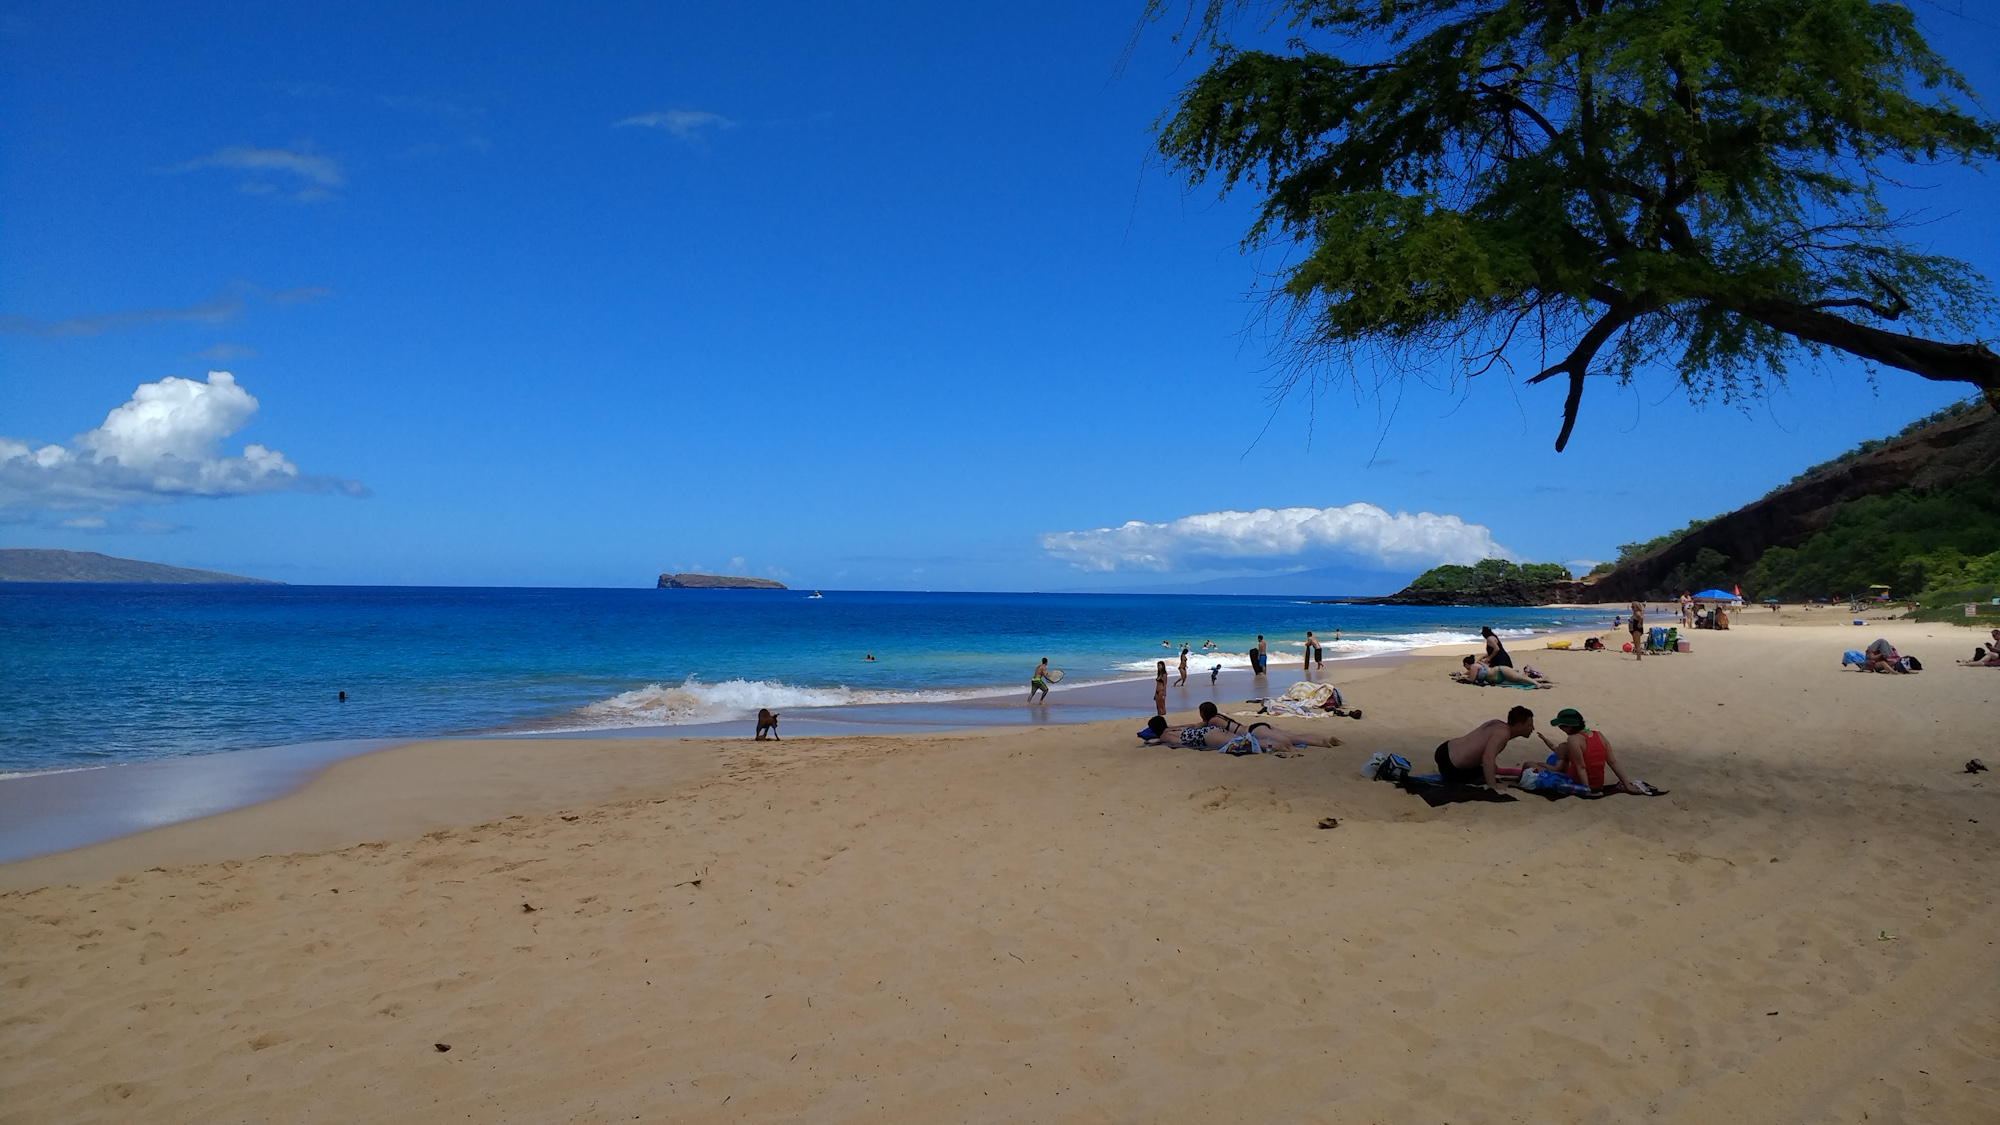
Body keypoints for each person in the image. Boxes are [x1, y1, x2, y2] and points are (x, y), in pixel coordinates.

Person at [1534, 707, 1640, 793]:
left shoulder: (1573, 740)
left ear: (1569, 727)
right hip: (1598, 785)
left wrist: (1586, 789)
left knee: (1530, 765)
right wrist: (1627, 784)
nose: (1561, 729)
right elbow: (1613, 761)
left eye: (1562, 727)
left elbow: (1581, 767)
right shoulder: (1599, 735)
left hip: (1578, 782)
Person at [1435, 706, 1537, 787]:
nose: (1533, 728)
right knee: (1481, 773)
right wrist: (1492, 786)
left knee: (1488, 769)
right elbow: (1487, 758)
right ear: (1519, 726)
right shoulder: (1504, 733)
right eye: (1529, 725)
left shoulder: (1497, 723)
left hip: (1445, 748)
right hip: (1451, 765)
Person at [1142, 714, 1340, 750]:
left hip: (1205, 738)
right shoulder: (1172, 727)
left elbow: (1175, 742)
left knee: (1246, 742)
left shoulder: (1165, 734)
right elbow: (1191, 725)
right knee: (1245, 739)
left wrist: (1157, 742)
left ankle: (1278, 746)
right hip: (1210, 732)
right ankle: (1321, 740)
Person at [1454, 654, 1552, 688]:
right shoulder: (1476, 666)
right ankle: (1541, 680)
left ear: (1467, 664)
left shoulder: (1474, 667)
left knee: (1519, 678)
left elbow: (1471, 679)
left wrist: (1463, 678)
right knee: (1518, 682)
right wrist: (1462, 676)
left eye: (1464, 665)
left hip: (1499, 671)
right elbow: (1470, 676)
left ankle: (1537, 684)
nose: (1464, 667)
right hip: (1497, 678)